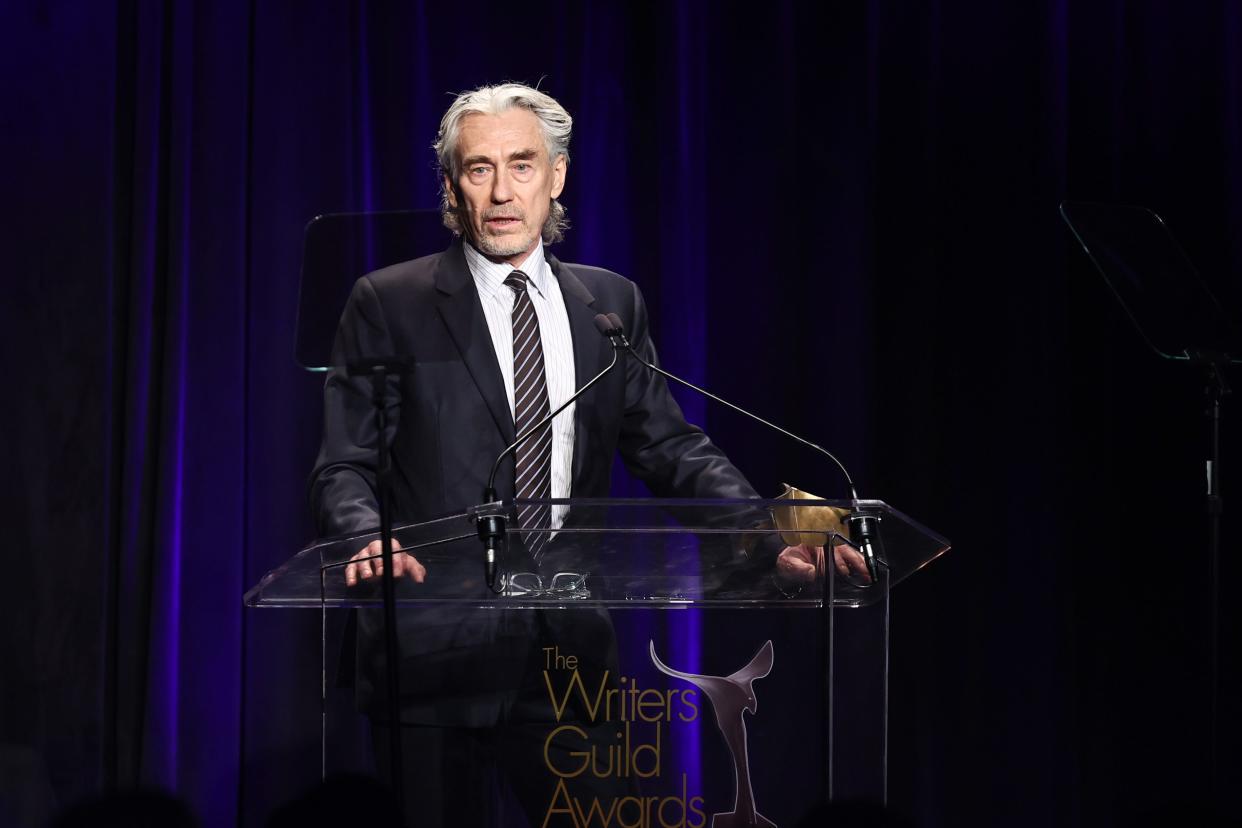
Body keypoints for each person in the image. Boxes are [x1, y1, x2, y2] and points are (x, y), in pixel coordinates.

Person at [309, 82, 862, 826]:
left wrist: (767, 539)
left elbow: (670, 449)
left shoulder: (607, 305)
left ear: (557, 175)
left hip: (569, 661)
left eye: (522, 164)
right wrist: (365, 535)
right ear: (451, 186)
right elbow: (345, 463)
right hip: (432, 661)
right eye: (479, 170)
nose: (502, 191)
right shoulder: (390, 302)